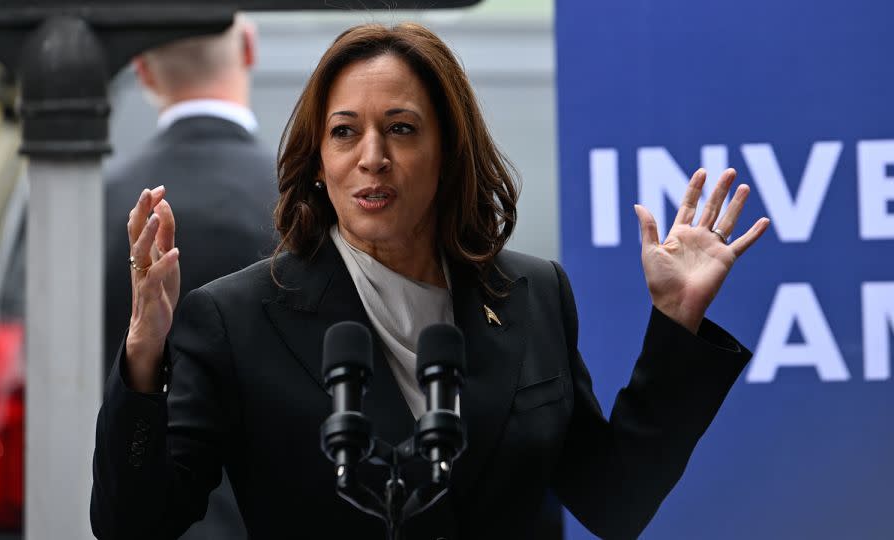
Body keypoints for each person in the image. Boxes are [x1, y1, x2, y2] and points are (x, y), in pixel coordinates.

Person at [91, 23, 770, 540]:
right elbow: (135, 524)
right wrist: (144, 359)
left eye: (402, 129)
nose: (373, 159)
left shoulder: (533, 296)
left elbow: (614, 502)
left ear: (448, 151)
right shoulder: (236, 317)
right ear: (318, 161)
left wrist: (675, 321)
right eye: (345, 132)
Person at [101, 14, 274, 540]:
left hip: (132, 509)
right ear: (249, 46)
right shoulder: (308, 200)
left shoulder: (91, 200)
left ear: (142, 70)